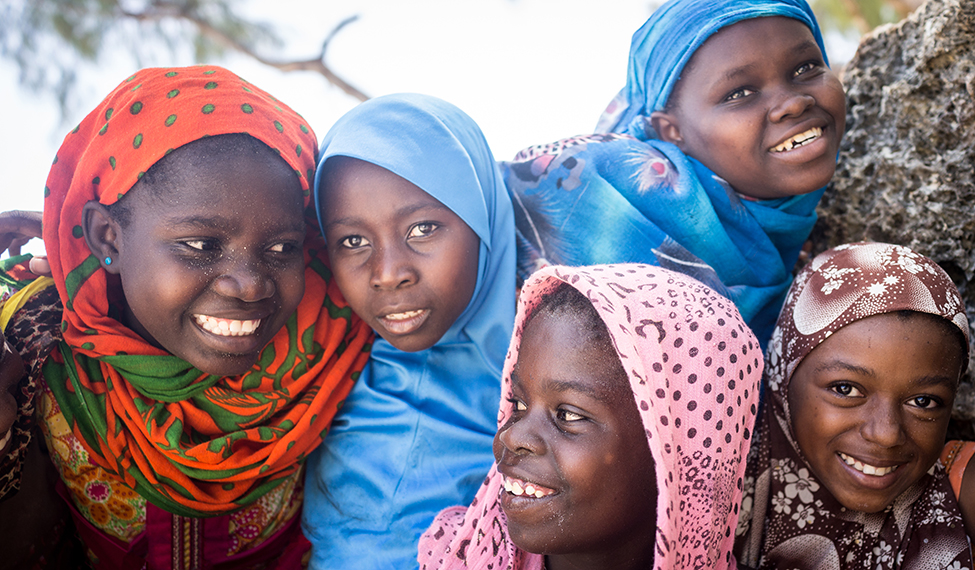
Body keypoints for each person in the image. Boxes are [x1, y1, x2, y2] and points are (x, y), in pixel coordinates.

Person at [0, 65, 372, 569]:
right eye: (200, 245)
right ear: (108, 237)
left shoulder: (340, 335)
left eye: (281, 247)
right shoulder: (39, 343)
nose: (250, 284)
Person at [502, 0, 845, 347]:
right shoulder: (608, 199)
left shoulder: (790, 220)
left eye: (806, 67)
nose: (793, 103)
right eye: (739, 93)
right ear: (670, 132)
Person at [419, 263, 763, 570]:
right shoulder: (455, 557)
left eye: (567, 415)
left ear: (677, 451)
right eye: (519, 405)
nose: (512, 437)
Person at [302, 94, 516, 569]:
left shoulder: (585, 358)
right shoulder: (333, 387)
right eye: (353, 241)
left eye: (421, 229)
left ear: (483, 217)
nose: (387, 272)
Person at [734, 242, 972, 569]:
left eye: (923, 401)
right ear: (783, 379)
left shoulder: (963, 495)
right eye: (845, 389)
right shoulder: (704, 494)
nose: (886, 434)